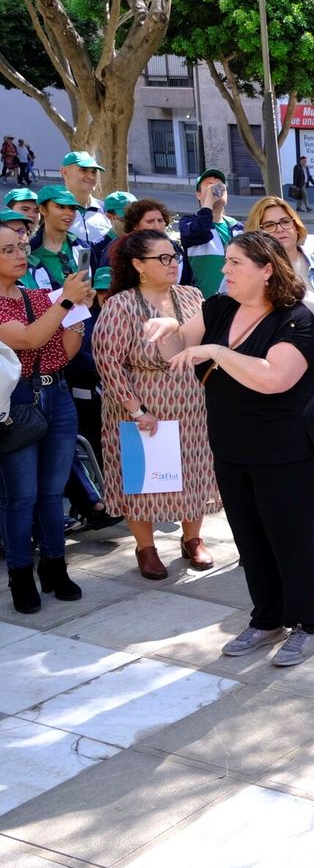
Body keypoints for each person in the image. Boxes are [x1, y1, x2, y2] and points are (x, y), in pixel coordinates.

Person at [144, 232, 314, 665]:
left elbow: (272, 378)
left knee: (291, 541)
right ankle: (266, 619)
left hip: (286, 451)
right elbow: (178, 350)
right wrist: (167, 325)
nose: (224, 270)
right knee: (250, 539)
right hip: (230, 446)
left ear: (267, 270)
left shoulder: (296, 319)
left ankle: (307, 626)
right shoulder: (219, 307)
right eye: (225, 262)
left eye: (235, 263)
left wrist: (218, 352)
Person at [94, 229, 221, 580]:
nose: (172, 264)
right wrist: (136, 409)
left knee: (194, 473)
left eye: (174, 256)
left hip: (193, 406)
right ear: (138, 265)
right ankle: (145, 547)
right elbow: (108, 361)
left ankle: (192, 538)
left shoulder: (192, 296)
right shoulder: (121, 305)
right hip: (141, 408)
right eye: (162, 258)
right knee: (142, 480)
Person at [0, 225, 91, 613]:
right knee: (21, 496)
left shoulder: (40, 296)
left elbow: (64, 349)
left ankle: (55, 566)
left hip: (56, 394)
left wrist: (75, 315)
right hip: (15, 400)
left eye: (21, 246)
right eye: (8, 250)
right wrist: (67, 304)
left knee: (53, 494)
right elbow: (29, 339)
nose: (20, 253)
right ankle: (21, 574)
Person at [245, 196, 314, 508]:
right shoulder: (249, 270)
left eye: (285, 221)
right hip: (269, 386)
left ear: (296, 225)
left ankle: (304, 543)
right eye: (269, 224)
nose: (280, 229)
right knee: (276, 472)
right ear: (257, 231)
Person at [178, 168, 243, 297]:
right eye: (209, 185)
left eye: (220, 184)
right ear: (198, 194)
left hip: (233, 303)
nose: (216, 188)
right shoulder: (189, 223)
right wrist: (208, 203)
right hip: (200, 304)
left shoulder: (236, 227)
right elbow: (199, 232)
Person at [26, 185, 88, 291]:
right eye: (61, 206)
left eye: (72, 208)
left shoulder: (83, 247)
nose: (69, 213)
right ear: (43, 210)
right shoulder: (29, 253)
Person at [60, 152, 113, 247]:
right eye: (83, 170)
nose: (91, 177)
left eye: (94, 172)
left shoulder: (106, 210)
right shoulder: (53, 212)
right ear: (64, 172)